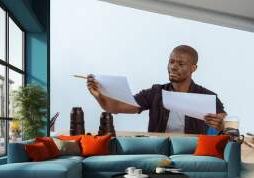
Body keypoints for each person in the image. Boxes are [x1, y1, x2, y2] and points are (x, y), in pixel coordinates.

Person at [86, 45, 226, 134]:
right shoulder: (155, 93)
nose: (173, 67)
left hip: (191, 152)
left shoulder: (208, 97)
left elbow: (227, 126)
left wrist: (221, 125)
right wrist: (98, 95)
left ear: (193, 68)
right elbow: (114, 107)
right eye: (171, 62)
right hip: (159, 151)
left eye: (180, 63)